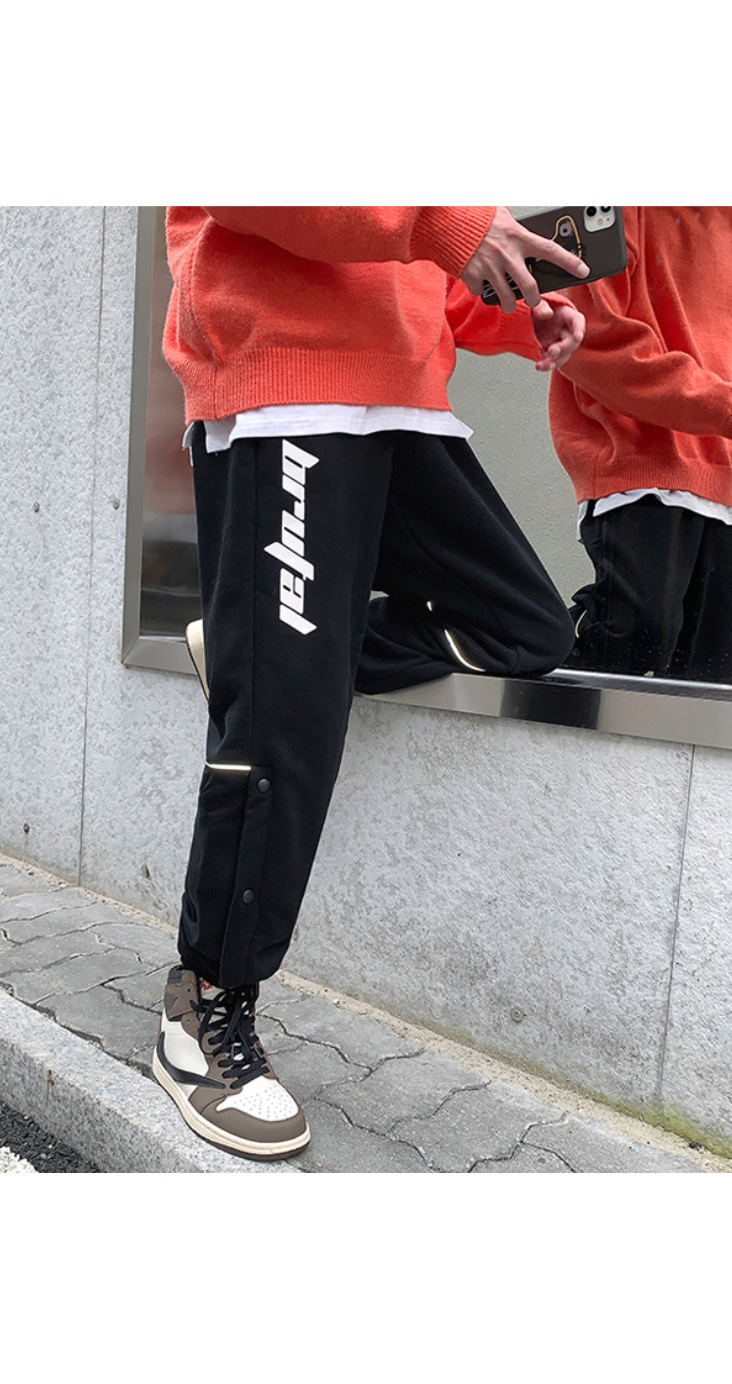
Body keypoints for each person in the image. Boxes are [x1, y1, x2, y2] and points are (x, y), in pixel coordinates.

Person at [153, 206, 588, 1161]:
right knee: (287, 736)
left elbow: (411, 269)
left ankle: (264, 655)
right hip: (291, 389)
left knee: (527, 626)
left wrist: (513, 311)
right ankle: (203, 1003)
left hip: (404, 403)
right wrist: (448, 223)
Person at [549, 207, 732, 682]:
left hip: (726, 477)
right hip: (639, 457)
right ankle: (529, 660)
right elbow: (589, 338)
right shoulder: (620, 205)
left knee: (711, 680)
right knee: (633, 637)